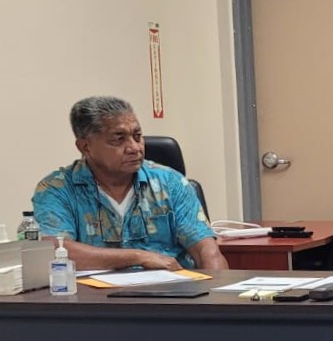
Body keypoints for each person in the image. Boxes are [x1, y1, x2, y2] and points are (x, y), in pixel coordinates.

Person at [31, 95, 227, 272]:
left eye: (137, 136)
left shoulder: (171, 183)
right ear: (85, 147)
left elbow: (207, 252)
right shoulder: (57, 189)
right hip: (93, 304)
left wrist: (216, 301)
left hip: (171, 300)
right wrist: (139, 257)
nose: (134, 148)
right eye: (119, 139)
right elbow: (55, 250)